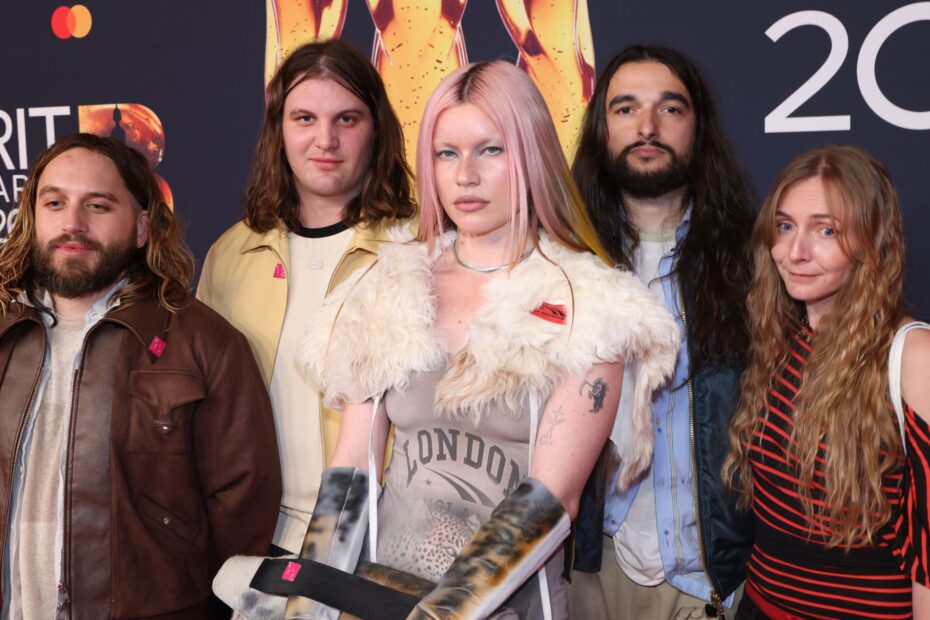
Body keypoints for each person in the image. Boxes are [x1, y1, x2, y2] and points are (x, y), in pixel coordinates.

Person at [216, 60, 680, 619]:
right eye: (446, 153)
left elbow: (553, 497)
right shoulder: (392, 281)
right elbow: (353, 469)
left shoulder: (592, 303)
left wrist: (437, 615)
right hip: (377, 596)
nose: (466, 176)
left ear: (530, 153)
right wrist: (306, 606)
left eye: (490, 150)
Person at [0, 133, 281, 618]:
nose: (73, 223)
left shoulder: (205, 345)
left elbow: (242, 516)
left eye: (98, 206)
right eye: (55, 203)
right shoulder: (5, 332)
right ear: (31, 217)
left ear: (141, 226)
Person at [196, 39, 415, 556]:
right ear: (278, 130)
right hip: (258, 541)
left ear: (377, 129)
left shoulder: (422, 245)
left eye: (347, 119)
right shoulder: (230, 254)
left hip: (387, 544)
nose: (325, 140)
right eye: (304, 119)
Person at [568, 45, 756, 618]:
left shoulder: (754, 262)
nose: (647, 127)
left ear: (698, 127)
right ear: (601, 127)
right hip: (587, 565)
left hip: (704, 575)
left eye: (670, 109)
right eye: (625, 109)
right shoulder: (560, 261)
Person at [722, 144, 930, 619]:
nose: (795, 252)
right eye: (785, 227)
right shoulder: (782, 343)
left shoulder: (913, 356)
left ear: (872, 239)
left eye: (826, 230)